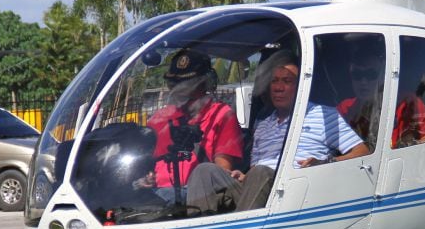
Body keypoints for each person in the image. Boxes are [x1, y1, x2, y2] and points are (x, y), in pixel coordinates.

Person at [187, 52, 369, 213]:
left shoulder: (323, 115)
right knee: (204, 171)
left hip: (296, 194)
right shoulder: (264, 125)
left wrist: (327, 162)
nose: (278, 87)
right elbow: (255, 171)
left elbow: (362, 152)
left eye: (287, 81)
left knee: (261, 173)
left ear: (301, 86)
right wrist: (243, 177)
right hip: (258, 192)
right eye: (274, 81)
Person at [144, 50, 243, 212]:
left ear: (206, 84)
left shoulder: (222, 115)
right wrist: (146, 177)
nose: (181, 91)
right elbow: (143, 163)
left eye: (189, 84)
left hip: (195, 196)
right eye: (175, 84)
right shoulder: (160, 118)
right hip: (155, 194)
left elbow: (221, 172)